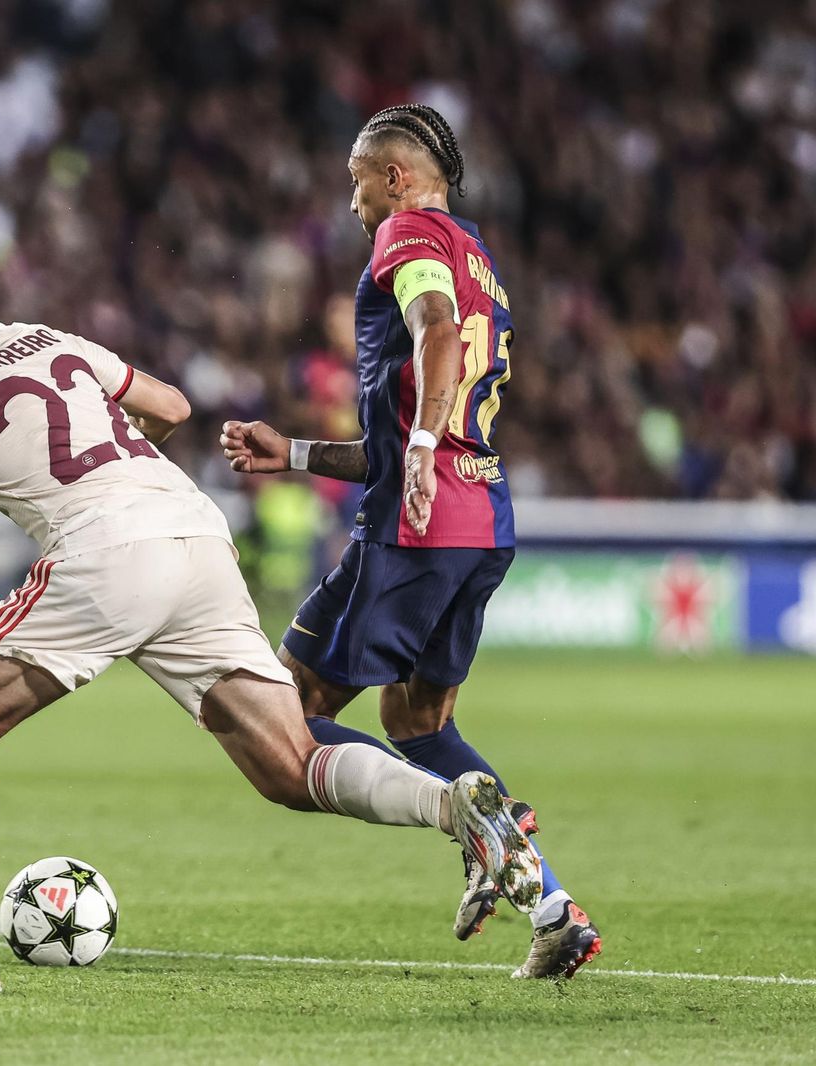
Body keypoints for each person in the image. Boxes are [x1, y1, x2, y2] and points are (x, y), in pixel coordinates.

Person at [0, 246, 542, 994]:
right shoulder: (42, 337)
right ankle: (454, 805)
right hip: (193, 528)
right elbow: (172, 408)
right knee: (289, 764)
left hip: (103, 551)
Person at [220, 104, 601, 980]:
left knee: (286, 708)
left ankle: (464, 824)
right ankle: (552, 907)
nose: (352, 204)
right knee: (417, 720)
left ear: (393, 176)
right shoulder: (481, 259)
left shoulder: (407, 234)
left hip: (418, 526)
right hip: (480, 518)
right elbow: (404, 428)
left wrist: (423, 448)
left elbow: (433, 333)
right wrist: (299, 454)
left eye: (357, 183)